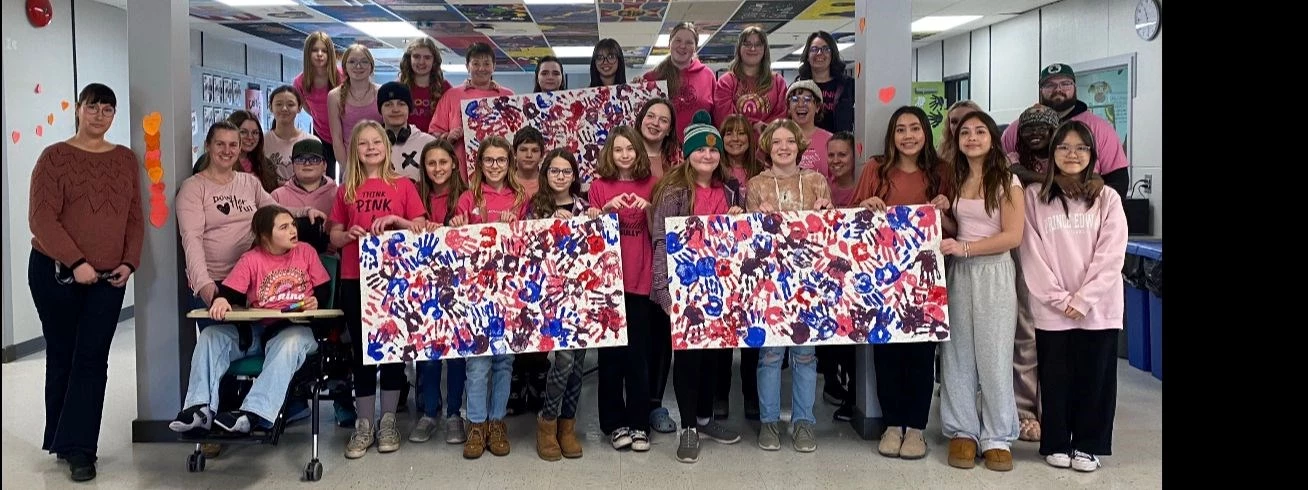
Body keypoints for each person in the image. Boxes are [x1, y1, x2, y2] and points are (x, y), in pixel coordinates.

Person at [28, 82, 144, 482]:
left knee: (92, 358)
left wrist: (130, 262)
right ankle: (61, 438)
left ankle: (80, 449)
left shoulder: (125, 159)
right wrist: (75, 261)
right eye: (92, 107)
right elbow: (42, 218)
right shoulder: (54, 157)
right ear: (78, 110)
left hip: (108, 279)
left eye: (107, 109)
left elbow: (133, 216)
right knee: (63, 353)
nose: (99, 115)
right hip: (55, 273)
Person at [1020, 120, 1127, 473]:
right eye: (1064, 147)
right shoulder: (1034, 198)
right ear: (1052, 154)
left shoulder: (1107, 197)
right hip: (1053, 309)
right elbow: (1031, 251)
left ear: (1092, 155)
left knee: (1095, 377)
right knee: (1055, 378)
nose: (1072, 154)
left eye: (1081, 148)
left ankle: (1088, 445)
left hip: (1099, 308)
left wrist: (1083, 299)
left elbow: (1112, 253)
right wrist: (1058, 298)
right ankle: (1056, 442)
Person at [169, 205, 328, 438]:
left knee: (289, 342)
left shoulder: (306, 253)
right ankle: (199, 410)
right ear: (265, 235)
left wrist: (316, 302)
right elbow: (229, 292)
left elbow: (324, 291)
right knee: (211, 335)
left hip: (297, 330)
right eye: (284, 227)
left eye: (293, 225)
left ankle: (253, 414)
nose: (293, 230)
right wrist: (221, 301)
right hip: (258, 330)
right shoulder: (251, 259)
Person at [850, 106, 955, 460]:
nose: (908, 136)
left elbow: (956, 229)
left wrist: (944, 211)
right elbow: (849, 221)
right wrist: (866, 206)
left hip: (927, 280)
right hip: (882, 279)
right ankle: (893, 424)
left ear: (926, 132)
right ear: (891, 136)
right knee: (887, 352)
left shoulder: (941, 173)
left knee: (922, 354)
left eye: (914, 128)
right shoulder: (876, 170)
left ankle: (917, 428)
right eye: (900, 130)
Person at [328, 120, 428, 459]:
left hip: (396, 281)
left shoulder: (403, 186)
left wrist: (398, 222)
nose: (371, 148)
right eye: (363, 143)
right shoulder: (346, 191)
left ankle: (388, 421)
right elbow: (333, 236)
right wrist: (347, 235)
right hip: (355, 279)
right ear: (354, 150)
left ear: (387, 148)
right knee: (363, 354)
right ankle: (364, 424)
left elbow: (421, 228)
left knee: (392, 354)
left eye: (377, 142)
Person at [649, 111, 746, 463]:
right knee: (689, 358)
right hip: (686, 288)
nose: (708, 156)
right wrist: (662, 288)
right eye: (700, 150)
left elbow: (744, 240)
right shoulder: (674, 191)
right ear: (688, 153)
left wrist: (740, 219)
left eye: (713, 150)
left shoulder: (732, 189)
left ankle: (705, 419)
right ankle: (688, 425)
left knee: (716, 358)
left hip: (723, 288)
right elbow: (661, 241)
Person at [938, 110, 1025, 472]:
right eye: (965, 133)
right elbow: (961, 227)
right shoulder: (957, 179)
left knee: (994, 354)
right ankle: (962, 430)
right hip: (961, 272)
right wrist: (942, 214)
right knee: (956, 353)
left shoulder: (1007, 181)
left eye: (979, 132)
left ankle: (996, 435)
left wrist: (966, 248)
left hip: (994, 272)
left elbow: (1012, 236)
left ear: (992, 138)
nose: (971, 138)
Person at [745, 118, 833, 453]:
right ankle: (769, 421)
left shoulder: (816, 182)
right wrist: (754, 216)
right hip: (769, 282)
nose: (783, 147)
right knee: (769, 354)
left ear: (799, 146)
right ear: (767, 147)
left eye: (790, 141)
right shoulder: (756, 185)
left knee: (806, 354)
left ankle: (804, 422)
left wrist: (826, 211)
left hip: (809, 281)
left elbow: (830, 233)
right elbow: (747, 239)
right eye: (776, 142)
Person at [451, 135, 529, 459]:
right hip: (475, 292)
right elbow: (455, 243)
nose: (495, 166)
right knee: (477, 362)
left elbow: (532, 243)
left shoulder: (521, 197)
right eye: (488, 160)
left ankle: (497, 421)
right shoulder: (469, 198)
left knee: (504, 360)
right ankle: (477, 424)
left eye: (500, 160)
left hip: (509, 290)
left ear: (509, 163)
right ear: (479, 164)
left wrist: (518, 225)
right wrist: (457, 224)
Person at [589, 126, 658, 451]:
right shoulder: (599, 187)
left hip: (640, 280)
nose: (625, 155)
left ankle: (639, 423)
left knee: (638, 356)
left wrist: (647, 210)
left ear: (639, 152)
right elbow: (593, 237)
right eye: (618, 150)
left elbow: (657, 232)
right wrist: (605, 212)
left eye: (630, 149)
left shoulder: (652, 184)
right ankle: (614, 424)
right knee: (611, 357)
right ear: (609, 153)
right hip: (607, 284)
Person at [530, 149, 592, 461]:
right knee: (564, 362)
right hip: (549, 296)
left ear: (574, 175)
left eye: (566, 171)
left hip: (581, 295)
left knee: (578, 365)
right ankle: (547, 421)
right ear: (546, 175)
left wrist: (594, 220)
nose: (560, 176)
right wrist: (550, 224)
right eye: (554, 171)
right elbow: (525, 248)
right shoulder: (536, 207)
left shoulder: (584, 207)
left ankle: (567, 426)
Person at [407, 139, 470, 445]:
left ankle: (455, 413)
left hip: (459, 282)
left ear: (454, 164)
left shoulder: (467, 195)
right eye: (431, 163)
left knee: (457, 352)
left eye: (443, 162)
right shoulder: (414, 194)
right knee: (428, 352)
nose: (438, 168)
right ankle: (430, 412)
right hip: (423, 282)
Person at [1006, 104, 1062, 442]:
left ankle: (1052, 407)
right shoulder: (1013, 160)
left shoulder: (1067, 157)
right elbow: (1019, 175)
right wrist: (1056, 180)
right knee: (1025, 333)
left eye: (1044, 128)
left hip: (1062, 257)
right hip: (1024, 255)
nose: (1036, 134)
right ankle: (1024, 408)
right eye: (1029, 128)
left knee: (1058, 338)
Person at [1000, 64, 1129, 196]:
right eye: (1050, 85)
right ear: (1040, 90)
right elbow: (1001, 173)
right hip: (1027, 211)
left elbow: (1118, 181)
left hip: (1086, 211)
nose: (1058, 89)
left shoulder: (1101, 128)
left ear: (1075, 87)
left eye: (1065, 83)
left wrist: (1097, 187)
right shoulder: (1015, 129)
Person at [428, 43, 515, 180]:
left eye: (486, 63)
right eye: (475, 63)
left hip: (500, 174)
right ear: (467, 66)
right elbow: (433, 134)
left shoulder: (507, 96)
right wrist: (448, 137)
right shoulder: (451, 95)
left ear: (494, 66)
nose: (481, 68)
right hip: (460, 174)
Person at [642, 22, 717, 145]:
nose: (683, 46)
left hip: (697, 151)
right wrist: (636, 87)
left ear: (695, 47)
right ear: (669, 43)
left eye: (689, 42)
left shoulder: (707, 75)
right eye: (678, 40)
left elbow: (716, 117)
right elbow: (640, 120)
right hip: (661, 151)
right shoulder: (652, 78)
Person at [712, 26, 788, 135]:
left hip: (768, 148)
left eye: (758, 44)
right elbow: (725, 121)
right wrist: (754, 125)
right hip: (735, 147)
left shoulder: (777, 82)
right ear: (739, 48)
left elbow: (781, 120)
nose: (752, 48)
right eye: (747, 44)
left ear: (765, 49)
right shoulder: (726, 82)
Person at [269, 139, 337, 253]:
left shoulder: (338, 194)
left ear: (324, 165)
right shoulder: (277, 196)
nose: (307, 163)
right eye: (301, 159)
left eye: (314, 159)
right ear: (293, 165)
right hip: (286, 264)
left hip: (330, 261)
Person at [327, 44, 382, 181]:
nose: (358, 66)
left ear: (371, 66)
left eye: (364, 61)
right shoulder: (334, 96)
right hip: (350, 163)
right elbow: (337, 138)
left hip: (379, 162)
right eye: (352, 62)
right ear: (345, 67)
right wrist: (347, 168)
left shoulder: (381, 92)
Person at [294, 31, 344, 177]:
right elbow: (306, 107)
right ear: (308, 54)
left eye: (324, 50)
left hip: (344, 134)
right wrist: (319, 118)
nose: (320, 54)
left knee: (347, 177)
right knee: (324, 177)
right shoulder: (300, 82)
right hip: (321, 134)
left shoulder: (341, 76)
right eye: (315, 50)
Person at [793, 31, 854, 134]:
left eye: (826, 49)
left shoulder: (849, 86)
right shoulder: (798, 87)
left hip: (839, 146)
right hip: (806, 145)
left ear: (832, 54)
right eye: (814, 49)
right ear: (807, 55)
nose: (819, 53)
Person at [377, 81, 437, 183]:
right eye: (388, 105)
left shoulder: (429, 143)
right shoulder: (369, 145)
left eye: (401, 104)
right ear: (380, 110)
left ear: (409, 109)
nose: (395, 110)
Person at [263, 85, 320, 186]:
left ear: (299, 108)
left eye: (290, 104)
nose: (284, 109)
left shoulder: (312, 142)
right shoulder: (262, 141)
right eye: (279, 104)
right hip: (270, 199)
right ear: (271, 108)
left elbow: (318, 178)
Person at [398, 37, 451, 132]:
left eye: (427, 57)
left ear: (434, 61)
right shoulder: (397, 87)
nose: (421, 62)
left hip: (436, 144)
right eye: (416, 56)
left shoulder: (445, 88)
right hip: (404, 144)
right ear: (409, 59)